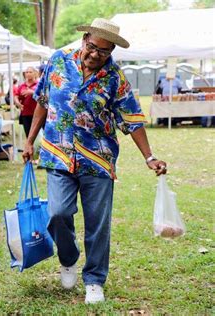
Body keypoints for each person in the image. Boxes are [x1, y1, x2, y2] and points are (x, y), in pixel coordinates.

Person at [22, 18, 168, 304]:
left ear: (111, 50)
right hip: (58, 155)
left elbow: (132, 119)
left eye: (103, 51)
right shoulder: (58, 61)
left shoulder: (115, 77)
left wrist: (149, 156)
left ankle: (94, 280)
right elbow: (42, 100)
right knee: (58, 213)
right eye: (92, 47)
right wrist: (29, 140)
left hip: (98, 159)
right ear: (84, 38)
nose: (95, 55)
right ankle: (68, 258)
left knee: (97, 223)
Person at [15, 67, 39, 137]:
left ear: (35, 73)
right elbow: (16, 96)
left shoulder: (38, 84)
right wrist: (17, 103)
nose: (28, 74)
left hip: (38, 113)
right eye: (27, 72)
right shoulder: (22, 85)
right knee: (28, 135)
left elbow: (44, 95)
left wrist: (32, 92)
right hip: (25, 114)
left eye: (30, 72)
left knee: (40, 135)